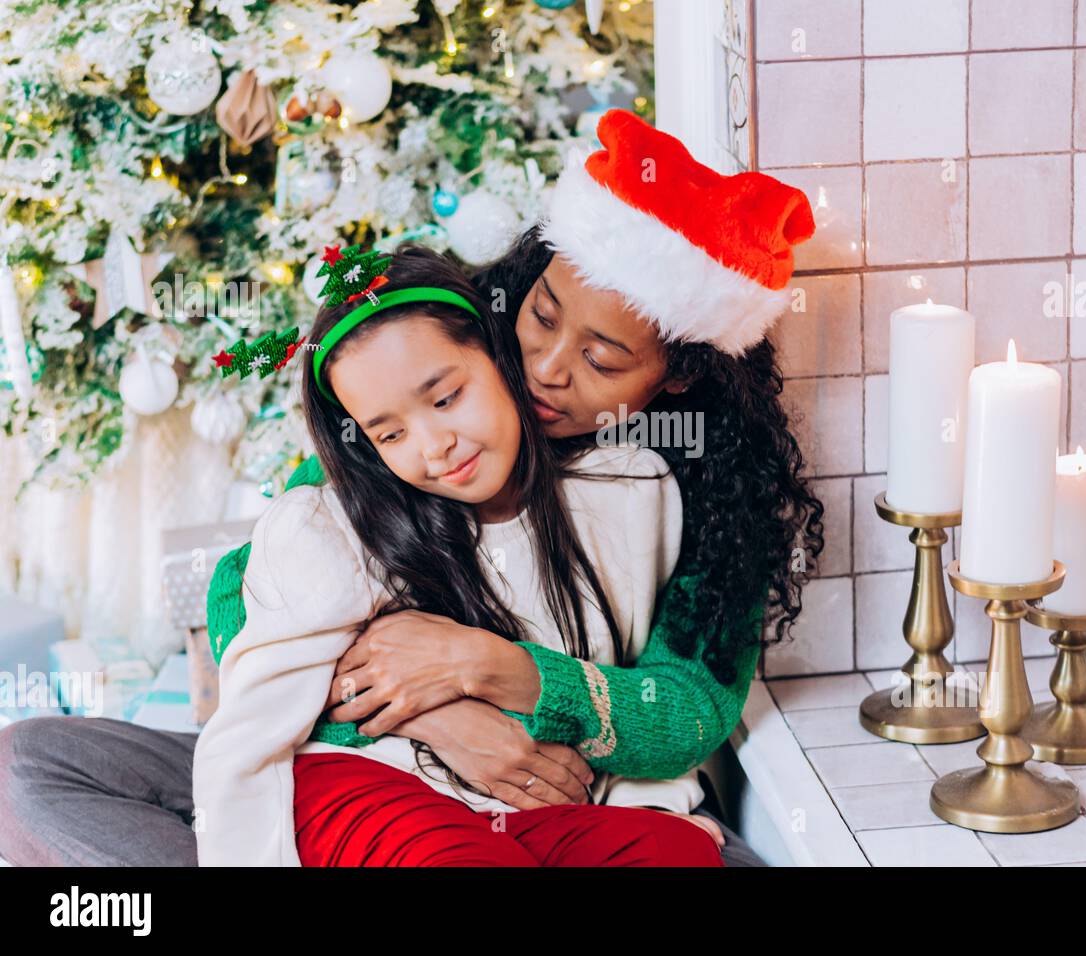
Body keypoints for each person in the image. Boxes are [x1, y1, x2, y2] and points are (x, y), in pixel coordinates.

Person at [0, 109, 821, 867]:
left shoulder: (688, 494)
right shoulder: (435, 372)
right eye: (540, 316)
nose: (544, 367)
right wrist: (440, 716)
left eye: (602, 360)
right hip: (373, 766)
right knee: (31, 762)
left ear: (680, 374)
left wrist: (497, 670)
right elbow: (245, 595)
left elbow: (689, 712)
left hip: (569, 794)